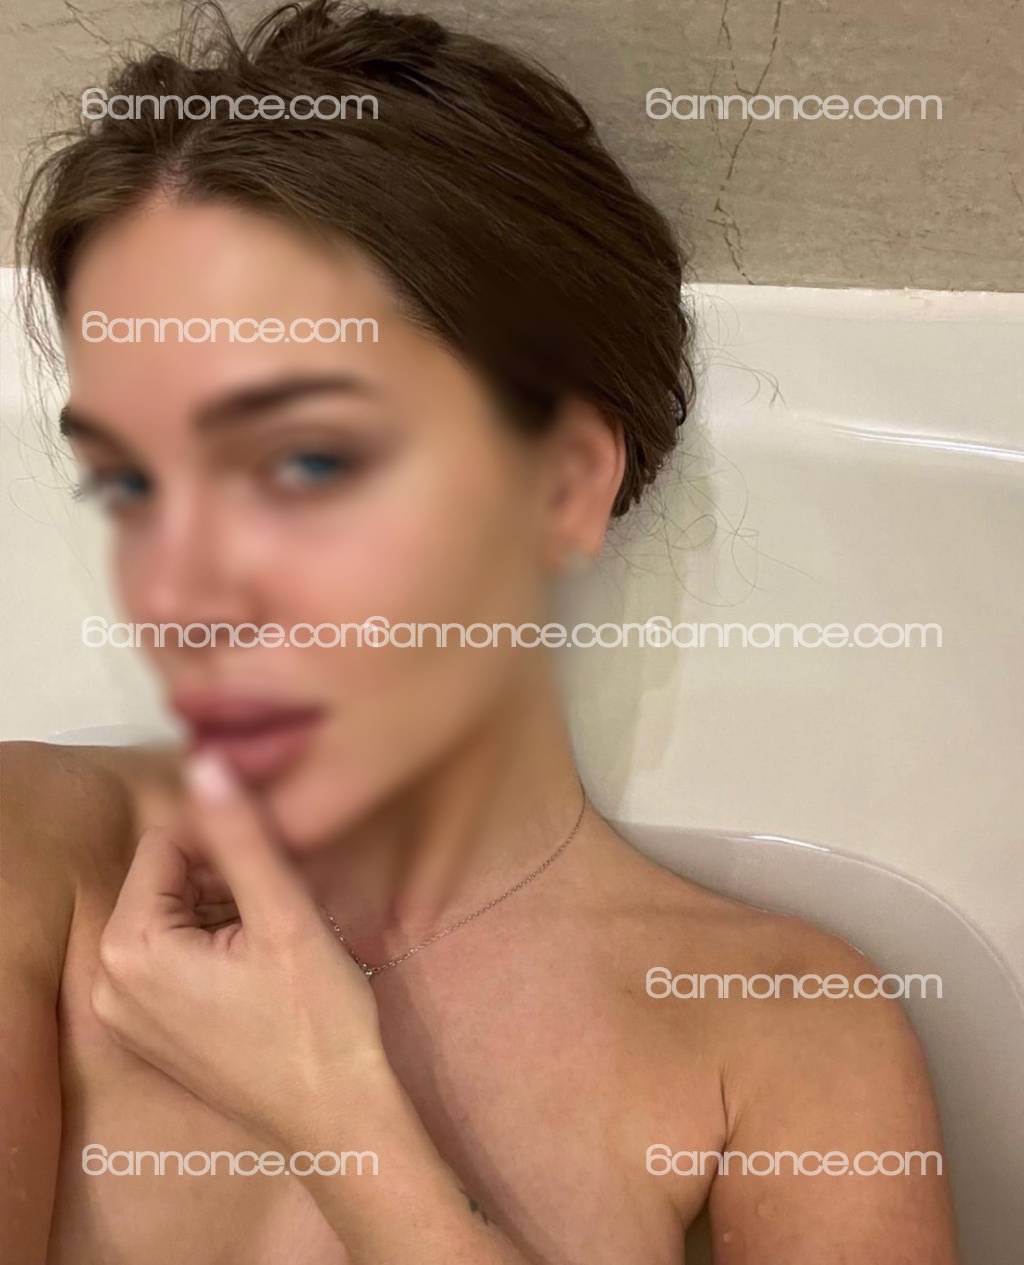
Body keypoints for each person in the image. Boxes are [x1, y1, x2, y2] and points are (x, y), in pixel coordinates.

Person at [2, 3, 958, 1261]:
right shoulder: (31, 852)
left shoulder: (780, 1029)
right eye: (131, 482)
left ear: (561, 484)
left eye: (303, 461)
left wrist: (341, 1120)